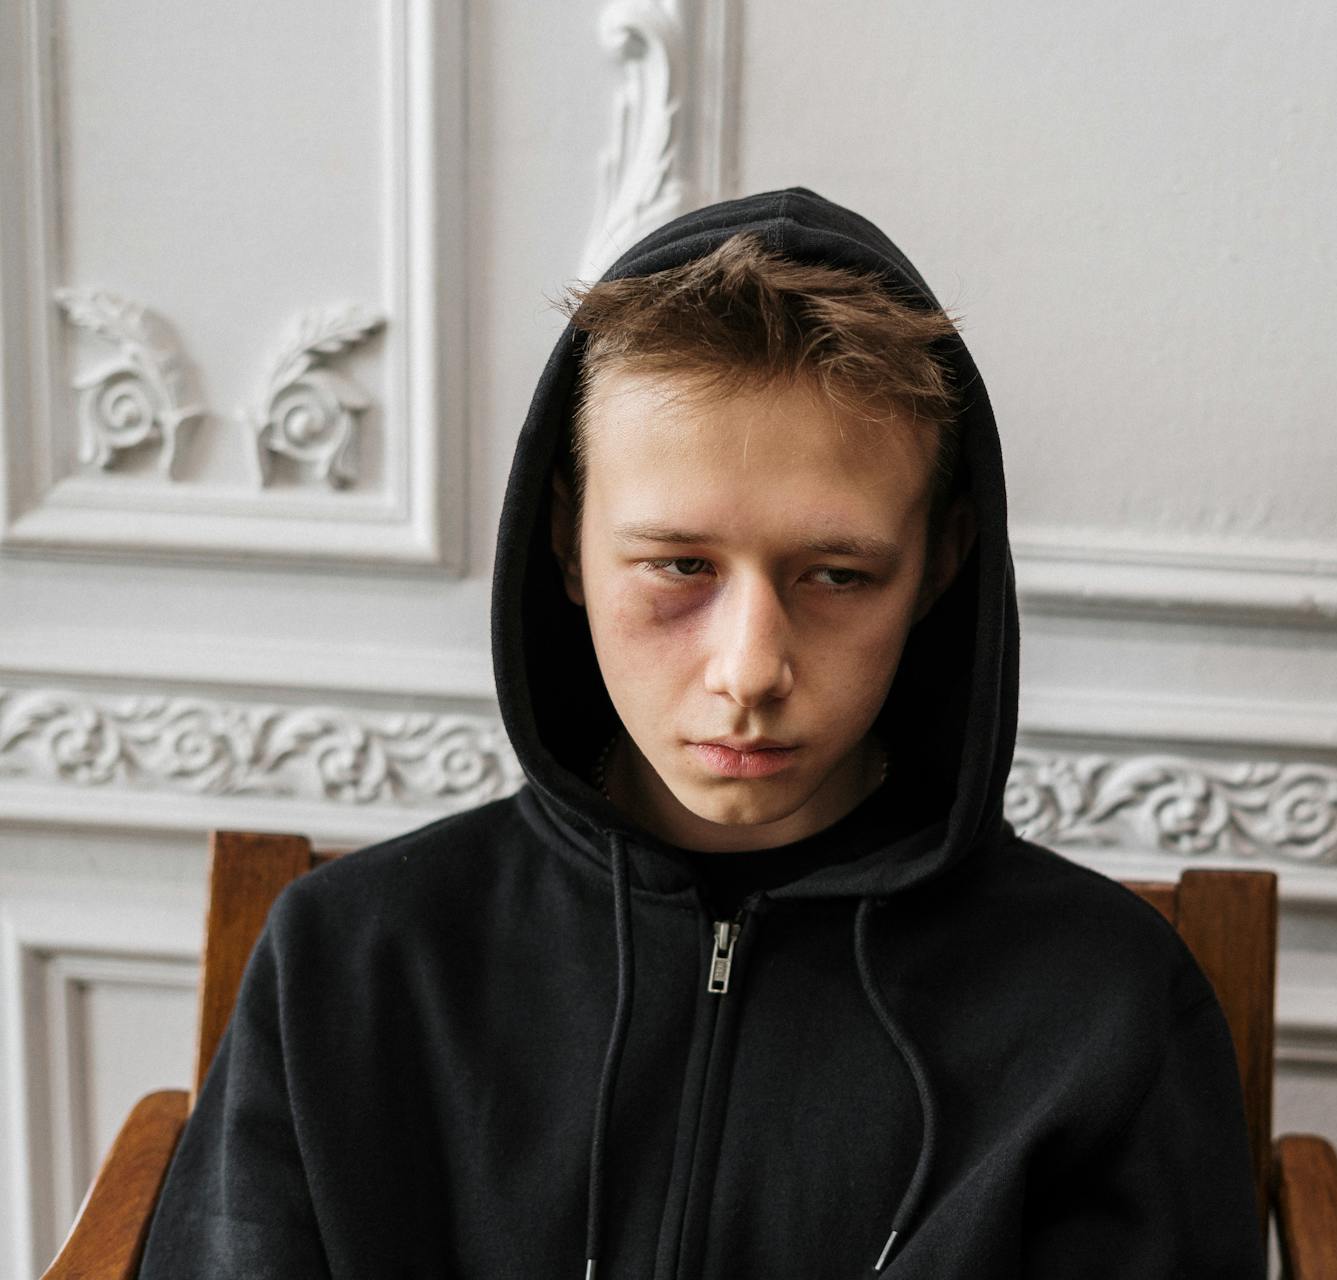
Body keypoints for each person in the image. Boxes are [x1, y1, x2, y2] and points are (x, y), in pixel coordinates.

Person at [138, 187, 1267, 1278]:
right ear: (567, 543)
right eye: (679, 565)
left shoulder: (1103, 1008)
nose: (750, 669)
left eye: (837, 574)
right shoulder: (351, 964)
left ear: (940, 564)